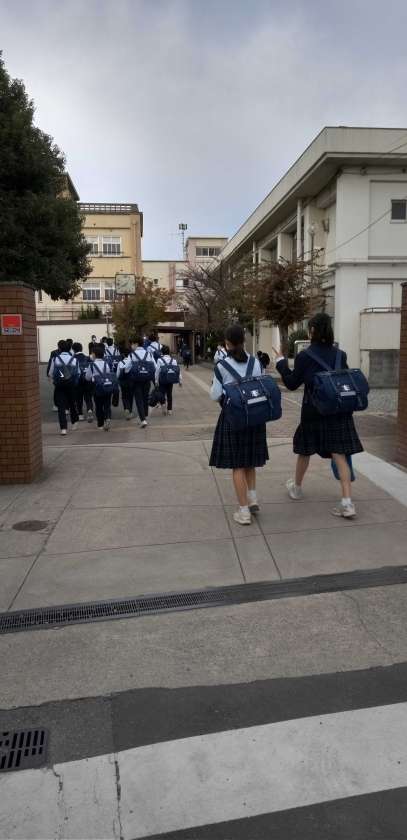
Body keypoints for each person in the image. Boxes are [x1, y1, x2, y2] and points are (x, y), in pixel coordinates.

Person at [274, 312, 363, 519]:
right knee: (339, 454)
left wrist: (281, 363)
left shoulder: (305, 356)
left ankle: (296, 488)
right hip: (338, 412)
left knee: (304, 452)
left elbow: (291, 383)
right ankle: (347, 503)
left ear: (312, 330)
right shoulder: (340, 355)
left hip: (313, 412)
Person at [209, 324, 267, 525]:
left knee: (237, 466)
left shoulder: (221, 366)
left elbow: (215, 395)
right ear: (243, 341)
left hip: (233, 418)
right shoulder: (256, 362)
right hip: (255, 417)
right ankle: (252, 499)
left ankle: (243, 512)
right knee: (250, 461)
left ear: (227, 343)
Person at [48, 340, 79, 436]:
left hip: (59, 386)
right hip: (71, 385)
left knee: (61, 407)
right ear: (70, 348)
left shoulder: (55, 359)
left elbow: (50, 373)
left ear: (59, 348)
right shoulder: (74, 359)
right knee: (72, 404)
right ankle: (74, 422)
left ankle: (63, 428)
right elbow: (78, 373)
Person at [126, 337, 156, 427]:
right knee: (145, 398)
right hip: (147, 379)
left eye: (132, 344)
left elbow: (126, 369)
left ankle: (143, 420)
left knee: (139, 399)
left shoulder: (132, 355)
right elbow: (154, 366)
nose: (131, 346)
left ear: (136, 344)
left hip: (136, 380)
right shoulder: (148, 354)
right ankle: (145, 416)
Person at [85, 343, 115, 431]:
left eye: (92, 353)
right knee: (107, 404)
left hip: (97, 388)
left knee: (98, 406)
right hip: (107, 386)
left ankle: (100, 424)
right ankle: (108, 418)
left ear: (94, 354)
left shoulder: (91, 365)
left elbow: (87, 377)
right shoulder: (106, 364)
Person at [155, 344, 182, 415]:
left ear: (162, 352)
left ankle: (163, 405)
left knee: (162, 393)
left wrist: (156, 380)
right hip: (170, 379)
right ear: (169, 352)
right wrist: (180, 380)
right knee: (169, 394)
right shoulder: (173, 360)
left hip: (162, 380)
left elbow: (157, 371)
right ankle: (169, 410)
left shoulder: (159, 360)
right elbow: (178, 370)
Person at [72, 341, 93, 422]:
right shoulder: (88, 357)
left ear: (73, 350)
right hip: (87, 380)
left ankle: (80, 414)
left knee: (78, 398)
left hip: (77, 381)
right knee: (88, 397)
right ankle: (89, 409)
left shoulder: (72, 358)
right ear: (82, 349)